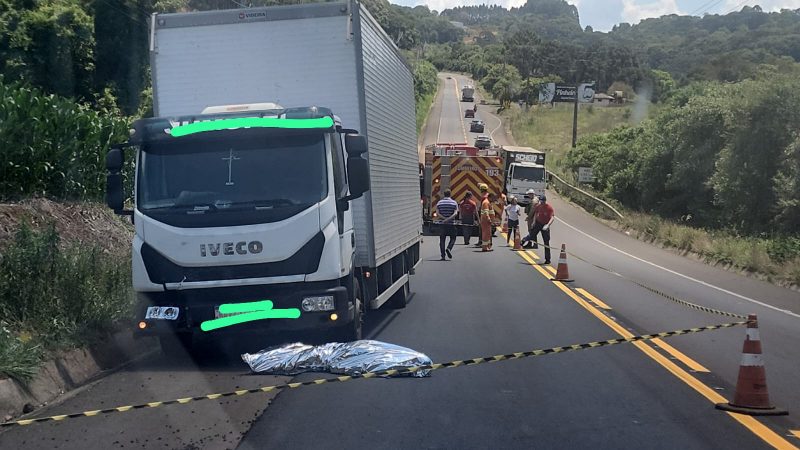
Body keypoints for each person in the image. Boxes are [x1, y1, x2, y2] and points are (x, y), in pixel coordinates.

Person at [526, 193, 555, 264]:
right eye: (541, 201)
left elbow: (552, 217)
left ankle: (547, 259)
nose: (542, 203)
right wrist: (534, 222)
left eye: (543, 201)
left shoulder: (549, 208)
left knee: (546, 242)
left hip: (545, 225)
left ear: (545, 201)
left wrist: (548, 225)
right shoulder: (538, 206)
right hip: (538, 223)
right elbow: (536, 214)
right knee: (532, 234)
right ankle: (524, 242)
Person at [435, 189, 458, 260]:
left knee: (442, 240)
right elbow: (455, 213)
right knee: (453, 238)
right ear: (450, 194)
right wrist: (449, 219)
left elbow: (437, 213)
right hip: (451, 224)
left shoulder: (439, 203)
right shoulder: (454, 203)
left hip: (442, 224)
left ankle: (443, 256)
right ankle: (449, 248)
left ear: (444, 194)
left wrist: (444, 219)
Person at [478, 183, 494, 252]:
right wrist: (489, 219)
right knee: (485, 233)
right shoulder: (486, 202)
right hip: (486, 221)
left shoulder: (485, 200)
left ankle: (487, 246)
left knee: (487, 233)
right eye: (492, 198)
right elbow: (486, 212)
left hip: (486, 221)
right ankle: (485, 247)